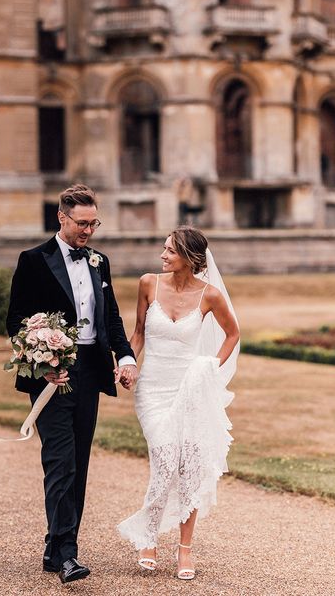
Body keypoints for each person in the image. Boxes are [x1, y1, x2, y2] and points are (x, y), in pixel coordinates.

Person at [6, 184, 137, 584]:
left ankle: (54, 546)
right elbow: (16, 322)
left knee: (78, 464)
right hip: (51, 377)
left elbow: (109, 316)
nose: (89, 231)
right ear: (61, 218)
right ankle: (67, 554)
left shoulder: (99, 261)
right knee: (60, 462)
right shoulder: (33, 261)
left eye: (94, 222)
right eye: (82, 223)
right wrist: (41, 364)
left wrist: (126, 356)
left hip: (90, 374)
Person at [117, 226, 240, 580]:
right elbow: (138, 333)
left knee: (189, 466)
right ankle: (147, 536)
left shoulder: (211, 295)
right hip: (152, 389)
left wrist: (210, 367)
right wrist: (126, 364)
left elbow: (233, 334)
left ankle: (184, 550)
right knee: (166, 457)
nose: (162, 255)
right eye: (164, 249)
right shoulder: (148, 284)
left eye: (169, 251)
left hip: (189, 387)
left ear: (188, 257)